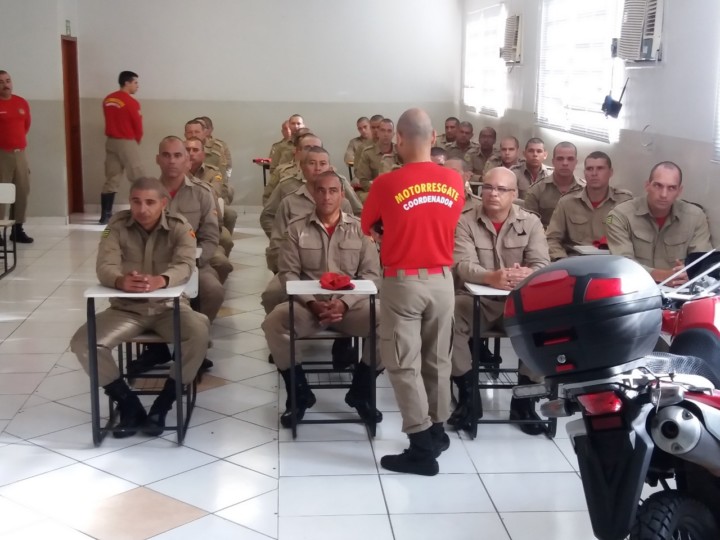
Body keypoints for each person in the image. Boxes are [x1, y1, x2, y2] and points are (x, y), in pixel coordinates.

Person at [361, 107, 464, 476]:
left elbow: (367, 225)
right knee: (438, 360)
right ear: (434, 137)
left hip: (403, 281)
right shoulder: (454, 180)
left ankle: (421, 448)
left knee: (404, 363)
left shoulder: (386, 184)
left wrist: (391, 228)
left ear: (399, 139)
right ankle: (437, 431)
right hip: (443, 281)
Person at [69, 177, 210, 437]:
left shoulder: (180, 226)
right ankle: (128, 404)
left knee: (199, 333)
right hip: (126, 309)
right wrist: (119, 280)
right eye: (136, 202)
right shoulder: (117, 226)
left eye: (150, 202)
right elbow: (104, 265)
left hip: (169, 306)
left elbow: (186, 264)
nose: (142, 209)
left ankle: (163, 404)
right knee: (84, 342)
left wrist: (162, 280)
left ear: (163, 203)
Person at [262, 171, 383, 427]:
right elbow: (288, 273)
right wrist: (311, 303)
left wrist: (345, 302)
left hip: (351, 307)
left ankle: (361, 391)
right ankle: (299, 394)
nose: (327, 196)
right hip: (308, 307)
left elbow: (372, 275)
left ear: (342, 194)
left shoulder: (360, 230)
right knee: (274, 322)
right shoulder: (296, 229)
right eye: (321, 190)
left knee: (390, 322)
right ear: (313, 193)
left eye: (333, 191)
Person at [450, 167, 550, 435]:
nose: (493, 193)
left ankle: (524, 400)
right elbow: (462, 264)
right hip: (478, 301)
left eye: (501, 189)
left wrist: (526, 274)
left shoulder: (531, 222)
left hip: (520, 303)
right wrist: (491, 277)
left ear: (514, 194)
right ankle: (469, 395)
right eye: (488, 187)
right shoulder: (464, 221)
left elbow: (542, 264)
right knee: (448, 318)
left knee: (547, 324)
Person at [606, 161, 713, 286]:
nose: (663, 194)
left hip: (680, 291)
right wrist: (663, 276)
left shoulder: (695, 217)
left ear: (679, 191)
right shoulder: (620, 216)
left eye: (671, 188)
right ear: (647, 186)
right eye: (658, 186)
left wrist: (689, 273)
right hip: (634, 288)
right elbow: (623, 264)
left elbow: (703, 263)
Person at [157, 136, 227, 321]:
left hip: (193, 260)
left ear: (186, 160)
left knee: (213, 291)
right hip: (153, 262)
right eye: (166, 155)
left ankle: (199, 326)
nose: (172, 161)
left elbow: (210, 236)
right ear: (158, 159)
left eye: (177, 155)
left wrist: (194, 262)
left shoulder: (201, 192)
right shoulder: (147, 192)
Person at [546, 151, 632, 260]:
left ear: (610, 172)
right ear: (584, 173)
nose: (594, 173)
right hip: (576, 261)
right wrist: (562, 260)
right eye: (589, 169)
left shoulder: (624, 202)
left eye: (600, 168)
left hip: (612, 261)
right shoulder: (567, 203)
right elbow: (552, 238)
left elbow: (634, 239)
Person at [99, 71, 146, 225]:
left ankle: (105, 215)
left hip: (111, 142)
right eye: (135, 83)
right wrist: (137, 140)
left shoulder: (108, 99)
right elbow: (137, 124)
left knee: (112, 178)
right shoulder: (131, 102)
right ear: (127, 83)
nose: (137, 86)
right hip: (126, 141)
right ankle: (141, 212)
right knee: (138, 177)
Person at [184, 137, 234, 257]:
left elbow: (214, 193)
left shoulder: (213, 172)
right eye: (187, 150)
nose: (191, 153)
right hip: (184, 221)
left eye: (195, 150)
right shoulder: (176, 173)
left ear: (203, 155)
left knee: (226, 240)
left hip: (207, 216)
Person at [0, 70, 33, 243]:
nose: (6, 85)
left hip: (20, 153)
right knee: (2, 192)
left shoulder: (21, 102)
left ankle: (17, 229)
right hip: (2, 154)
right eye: (1, 82)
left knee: (21, 191)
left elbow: (26, 126)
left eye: (8, 80)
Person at [523, 142, 585, 227]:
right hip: (544, 235)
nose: (565, 163)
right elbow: (528, 227)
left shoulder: (586, 190)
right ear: (553, 162)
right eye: (560, 159)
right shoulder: (536, 190)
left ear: (576, 162)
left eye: (570, 159)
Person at [354, 118, 400, 201]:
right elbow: (364, 181)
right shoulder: (368, 153)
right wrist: (380, 189)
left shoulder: (400, 151)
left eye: (389, 131)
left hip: (398, 193)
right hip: (377, 193)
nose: (386, 134)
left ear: (393, 134)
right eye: (383, 130)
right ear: (378, 133)